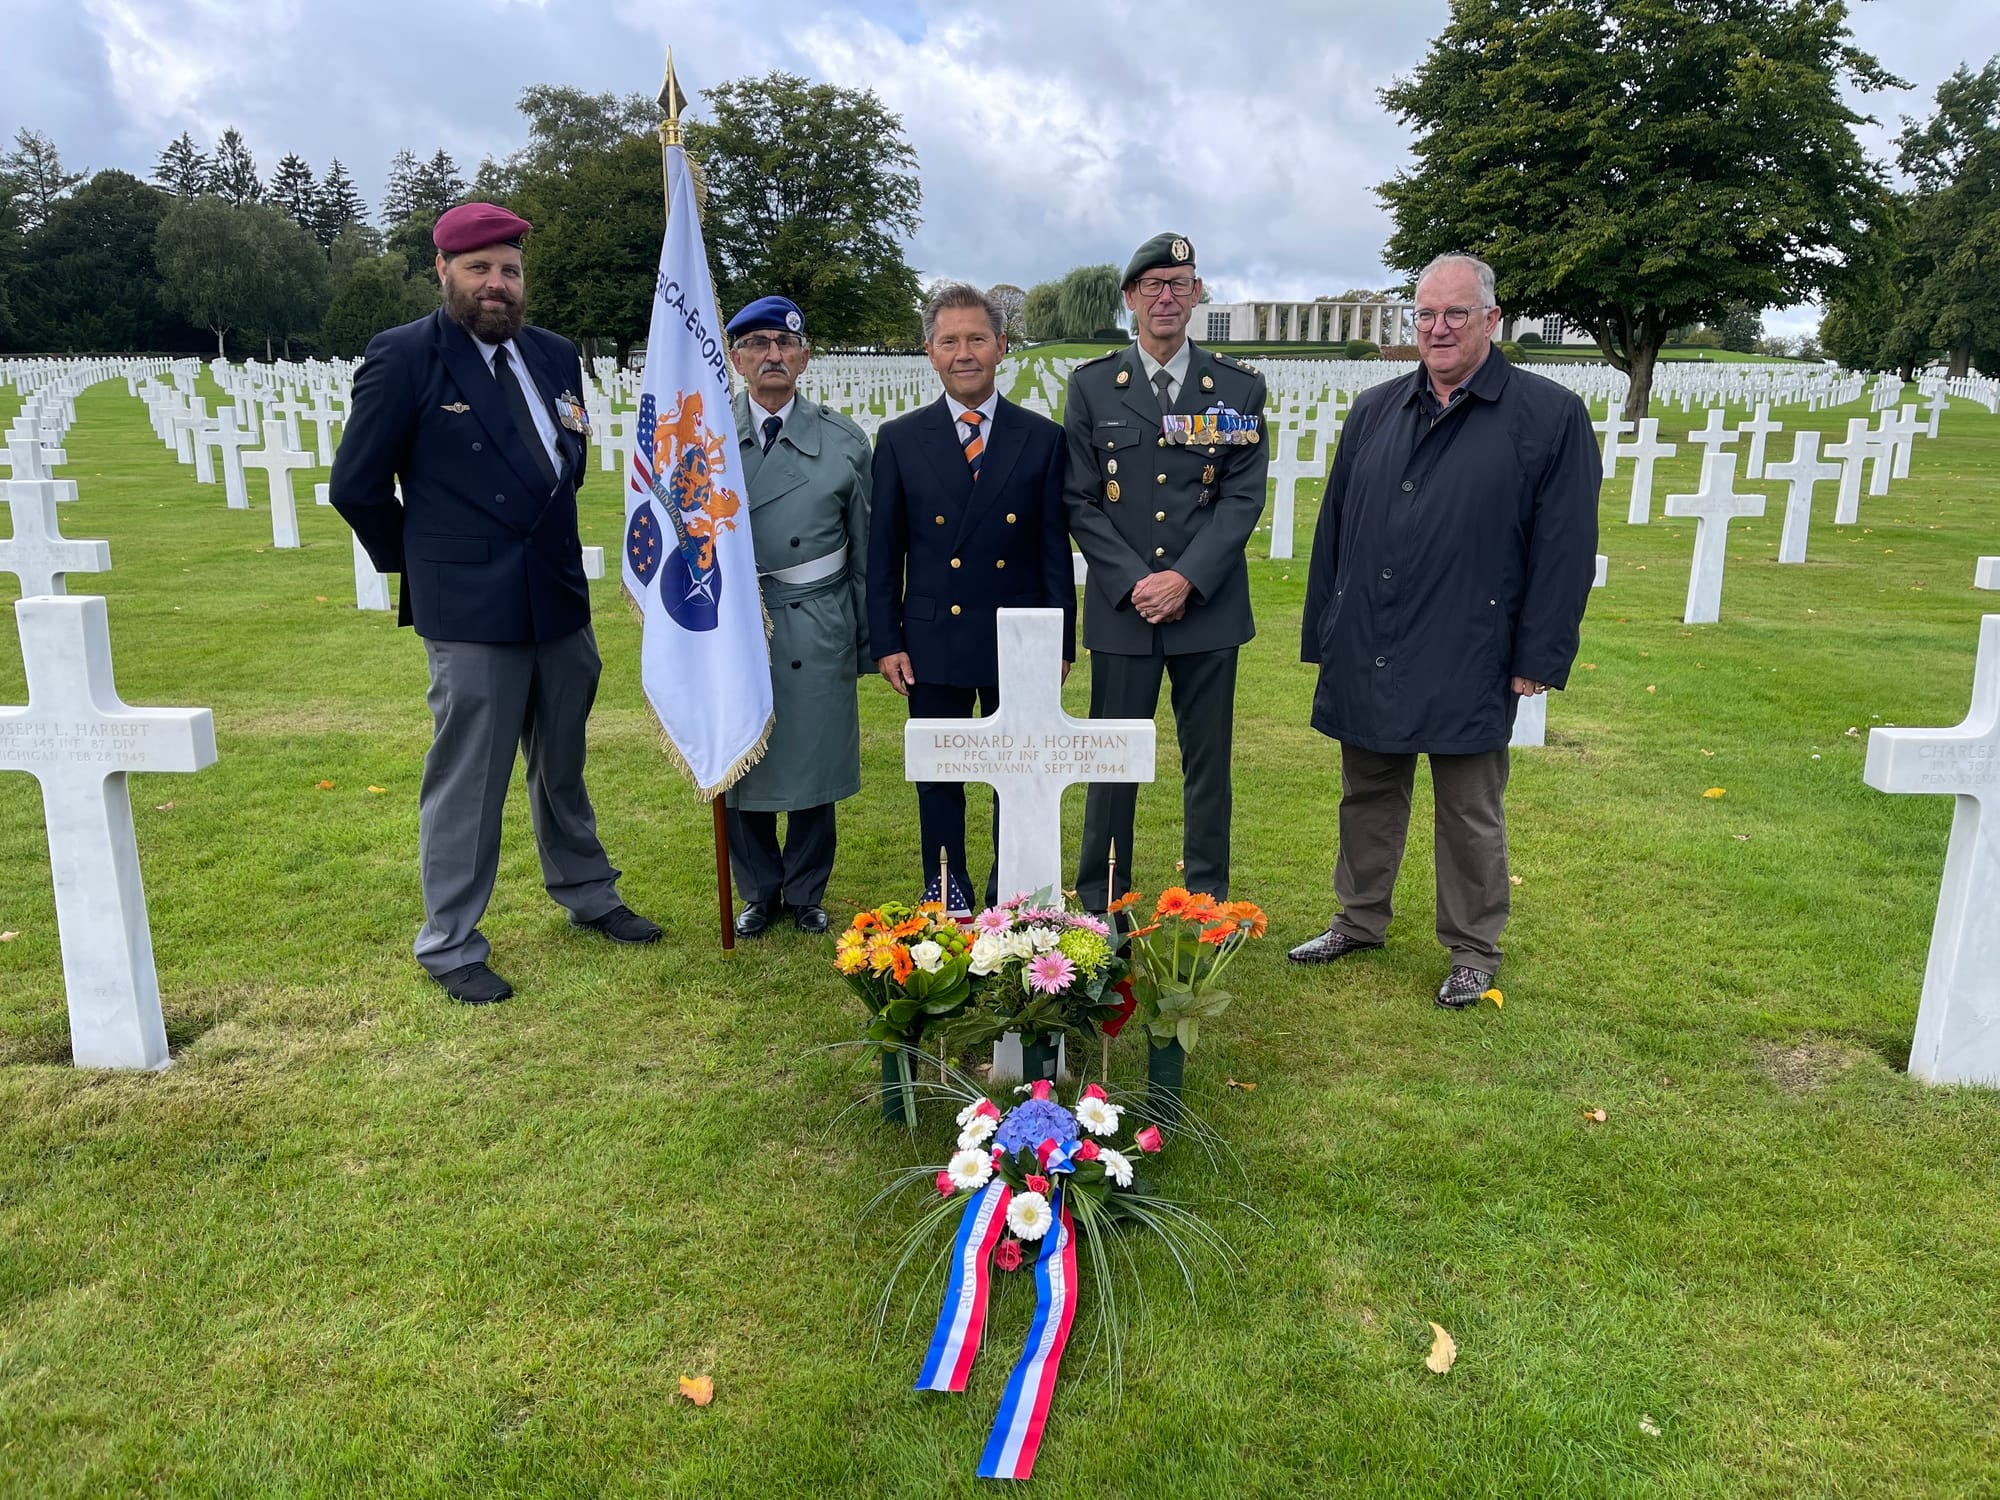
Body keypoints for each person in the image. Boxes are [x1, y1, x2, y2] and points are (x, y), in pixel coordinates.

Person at [329, 201, 661, 1006]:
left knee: (563, 762)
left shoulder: (551, 354)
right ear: (443, 271)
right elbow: (357, 486)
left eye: (509, 270)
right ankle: (450, 942)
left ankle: (588, 892)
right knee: (469, 780)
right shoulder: (404, 357)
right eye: (479, 269)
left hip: (555, 593)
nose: (497, 284)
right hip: (470, 607)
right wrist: (428, 564)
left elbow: (565, 457)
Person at [1290, 252, 1599, 1007]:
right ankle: (1358, 919)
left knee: (1468, 807)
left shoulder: (1548, 416)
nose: (1438, 327)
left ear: (1492, 320)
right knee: (1367, 791)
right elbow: (1336, 530)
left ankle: (1472, 947)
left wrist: (1538, 654)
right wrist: (1325, 632)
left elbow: (1564, 550)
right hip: (1372, 635)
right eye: (1425, 313)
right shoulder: (1375, 410)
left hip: (1472, 643)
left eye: (1456, 313)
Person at [1064, 233, 1269, 911]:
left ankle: (1207, 901)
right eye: (1152, 285)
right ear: (1129, 298)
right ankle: (1103, 899)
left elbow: (1241, 496)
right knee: (1112, 762)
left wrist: (1185, 579)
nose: (1166, 297)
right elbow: (1080, 500)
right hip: (1125, 611)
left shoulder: (1235, 388)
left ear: (1197, 293)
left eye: (1179, 283)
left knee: (1208, 765)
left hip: (1206, 609)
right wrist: (1134, 583)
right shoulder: (1094, 387)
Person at [868, 283, 1073, 913]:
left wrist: (1059, 643)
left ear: (1001, 348)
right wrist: (888, 640)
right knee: (939, 775)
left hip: (1017, 635)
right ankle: (946, 888)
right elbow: (884, 553)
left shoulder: (1041, 438)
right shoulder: (900, 438)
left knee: (1016, 776)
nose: (965, 353)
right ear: (930, 352)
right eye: (950, 340)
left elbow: (1050, 551)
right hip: (933, 637)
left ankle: (1009, 894)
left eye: (977, 339)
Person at [723, 296, 872, 937]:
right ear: (735, 358)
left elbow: (866, 552)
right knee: (740, 757)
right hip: (734, 626)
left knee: (814, 757)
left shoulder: (843, 443)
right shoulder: (706, 436)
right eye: (756, 343)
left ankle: (807, 890)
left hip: (818, 620)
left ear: (805, 356)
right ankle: (759, 889)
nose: (772, 356)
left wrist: (866, 639)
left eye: (784, 344)